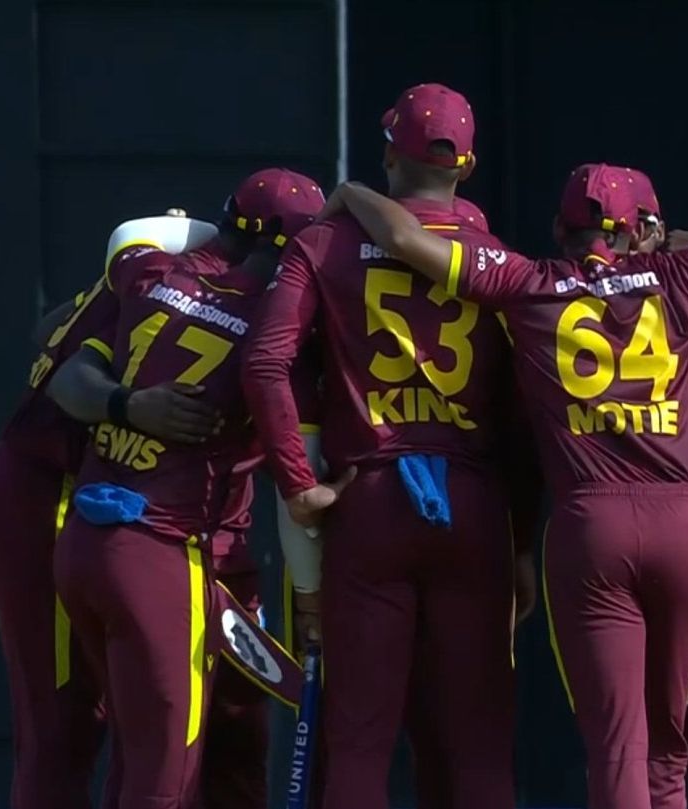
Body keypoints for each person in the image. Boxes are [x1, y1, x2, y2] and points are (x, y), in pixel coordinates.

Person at [316, 162, 688, 809]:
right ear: (643, 229)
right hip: (680, 527)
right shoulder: (682, 273)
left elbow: (405, 239)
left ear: (558, 228)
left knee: (617, 745)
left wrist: (351, 192)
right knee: (668, 744)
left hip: (592, 526)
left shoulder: (527, 283)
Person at [241, 83, 532, 809]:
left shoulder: (325, 242)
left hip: (368, 500)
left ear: (388, 155)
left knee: (360, 743)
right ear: (466, 167)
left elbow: (265, 362)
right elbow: (524, 411)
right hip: (473, 506)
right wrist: (525, 541)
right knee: (479, 746)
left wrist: (295, 481)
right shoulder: (498, 257)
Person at [47, 167, 345, 809]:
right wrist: (311, 596)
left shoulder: (149, 274)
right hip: (167, 551)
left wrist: (126, 404)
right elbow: (296, 481)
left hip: (89, 541)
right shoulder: (276, 328)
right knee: (168, 776)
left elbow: (133, 234)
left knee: (141, 757)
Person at [0, 211, 218, 809]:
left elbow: (46, 329)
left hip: (67, 499)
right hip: (42, 492)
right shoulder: (159, 281)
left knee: (114, 718)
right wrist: (127, 404)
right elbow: (64, 374)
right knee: (58, 725)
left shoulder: (164, 280)